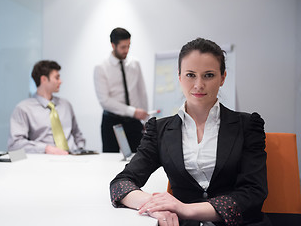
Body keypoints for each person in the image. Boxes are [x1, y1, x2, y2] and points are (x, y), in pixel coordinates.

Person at [110, 38, 270, 226]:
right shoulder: (160, 130)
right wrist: (155, 206)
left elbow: (253, 192)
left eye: (209, 75)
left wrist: (184, 209)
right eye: (190, 75)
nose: (198, 85)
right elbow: (120, 184)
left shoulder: (248, 125)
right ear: (179, 77)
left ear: (223, 77)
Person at [7, 60, 85, 155]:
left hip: (74, 159)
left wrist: (80, 149)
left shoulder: (66, 105)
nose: (60, 81)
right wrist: (46, 148)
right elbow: (14, 146)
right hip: (44, 161)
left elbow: (77, 134)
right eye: (57, 78)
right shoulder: (23, 108)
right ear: (43, 79)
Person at [94, 27, 148, 153]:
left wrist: (145, 119)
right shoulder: (101, 67)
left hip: (134, 121)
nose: (126, 50)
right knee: (110, 160)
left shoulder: (135, 63)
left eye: (128, 46)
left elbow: (142, 92)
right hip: (112, 122)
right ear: (113, 45)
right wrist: (132, 111)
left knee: (140, 158)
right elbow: (104, 100)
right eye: (123, 47)